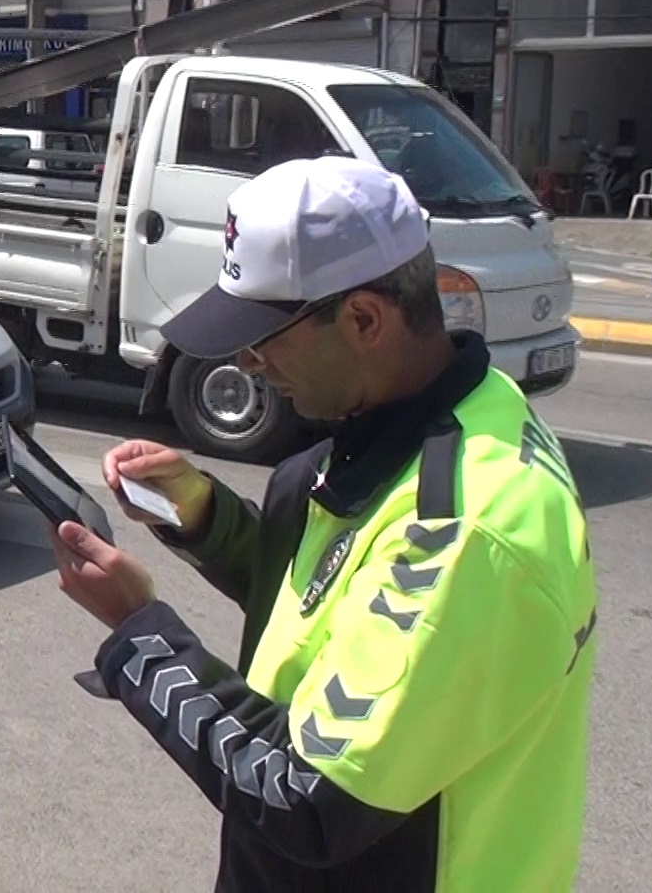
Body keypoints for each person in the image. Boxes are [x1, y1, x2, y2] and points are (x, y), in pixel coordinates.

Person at [47, 155, 596, 892]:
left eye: (266, 335)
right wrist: (209, 519)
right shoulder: (450, 412)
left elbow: (306, 799)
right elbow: (345, 603)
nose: (248, 360)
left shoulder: (467, 531)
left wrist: (140, 635)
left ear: (365, 318)